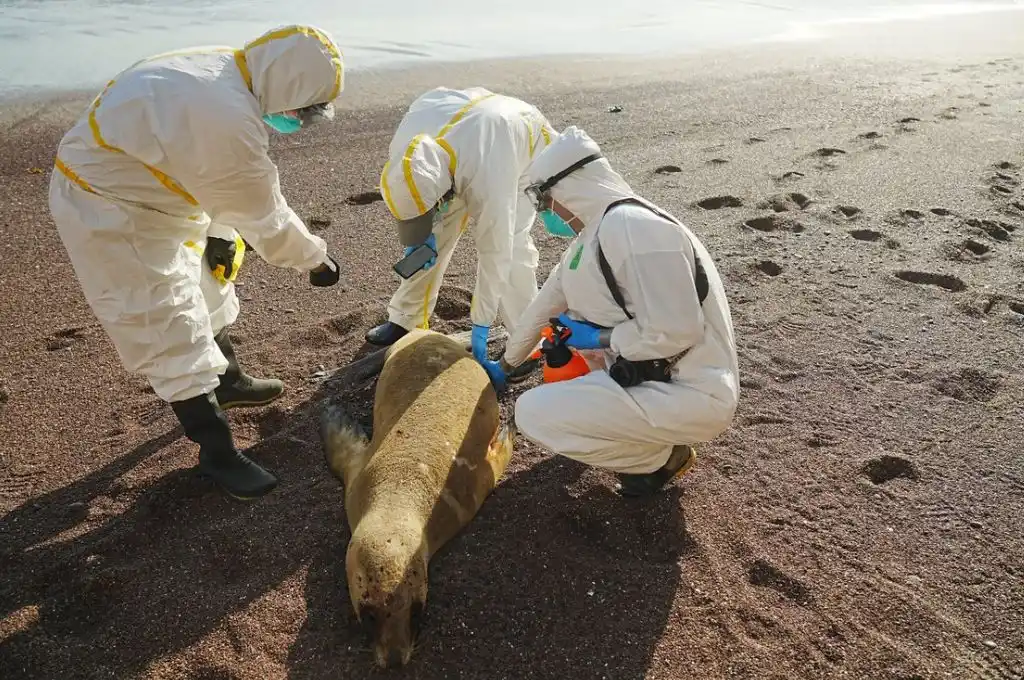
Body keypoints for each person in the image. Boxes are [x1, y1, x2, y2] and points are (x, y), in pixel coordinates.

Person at [47, 24, 346, 501]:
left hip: (162, 189)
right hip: (111, 209)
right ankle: (217, 452)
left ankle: (228, 380)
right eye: (302, 110)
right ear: (288, 86)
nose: (297, 119)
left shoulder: (229, 69)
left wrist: (220, 231)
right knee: (166, 321)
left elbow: (209, 172)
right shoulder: (225, 117)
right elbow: (263, 213)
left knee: (211, 285)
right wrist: (316, 260)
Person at [497, 126, 740, 498]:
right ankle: (650, 449)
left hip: (693, 391)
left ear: (570, 187)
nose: (547, 214)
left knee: (533, 412)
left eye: (545, 202)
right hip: (645, 378)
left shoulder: (636, 228)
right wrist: (504, 365)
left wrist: (598, 338)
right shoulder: (589, 240)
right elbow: (542, 308)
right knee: (554, 397)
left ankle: (658, 458)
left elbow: (676, 331)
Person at [365, 86, 558, 386]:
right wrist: (419, 235)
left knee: (514, 248)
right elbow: (415, 193)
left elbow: (497, 251)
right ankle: (405, 319)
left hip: (519, 148)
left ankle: (525, 342)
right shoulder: (405, 151)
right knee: (433, 236)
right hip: (465, 137)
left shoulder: (490, 173)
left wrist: (480, 323)